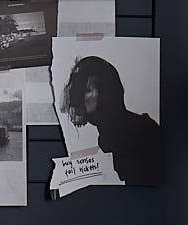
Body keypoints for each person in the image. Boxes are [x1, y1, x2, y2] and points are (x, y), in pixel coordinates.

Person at [61, 54, 161, 184]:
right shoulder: (110, 136)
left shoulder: (141, 131)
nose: (76, 98)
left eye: (86, 90)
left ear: (105, 92)